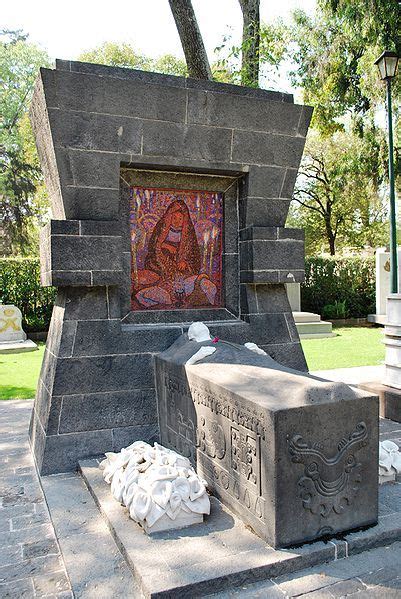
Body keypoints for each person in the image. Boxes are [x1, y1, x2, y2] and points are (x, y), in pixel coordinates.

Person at [132, 199, 217, 309]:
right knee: (153, 290)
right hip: (162, 269)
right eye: (174, 218)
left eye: (180, 219)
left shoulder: (188, 235)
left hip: (182, 273)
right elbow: (153, 247)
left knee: (199, 284)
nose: (177, 221)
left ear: (185, 220)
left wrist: (185, 262)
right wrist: (164, 246)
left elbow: (193, 255)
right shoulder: (162, 230)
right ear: (169, 218)